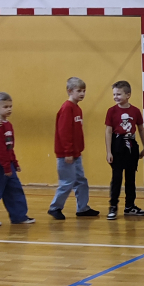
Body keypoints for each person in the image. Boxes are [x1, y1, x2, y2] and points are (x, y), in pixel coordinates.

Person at [0, 92, 35, 226]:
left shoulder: (8, 125)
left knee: (15, 189)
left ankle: (19, 216)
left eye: (10, 106)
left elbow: (9, 147)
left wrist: (14, 162)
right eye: (5, 107)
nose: (9, 109)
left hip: (8, 163)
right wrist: (6, 167)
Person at [48, 77, 99, 220]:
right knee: (67, 182)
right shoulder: (67, 108)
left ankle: (82, 208)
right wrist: (68, 152)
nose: (82, 93)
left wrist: (77, 150)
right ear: (69, 91)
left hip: (76, 153)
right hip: (66, 154)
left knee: (81, 180)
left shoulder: (77, 109)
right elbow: (64, 132)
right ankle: (55, 207)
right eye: (79, 91)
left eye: (84, 91)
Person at [104, 80, 144, 219]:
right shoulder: (111, 111)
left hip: (131, 145)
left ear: (128, 95)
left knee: (131, 178)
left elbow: (141, 129)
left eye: (118, 94)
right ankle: (113, 206)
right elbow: (108, 131)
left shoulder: (135, 111)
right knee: (117, 178)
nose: (115, 97)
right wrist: (109, 151)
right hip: (117, 145)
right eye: (114, 94)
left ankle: (130, 206)